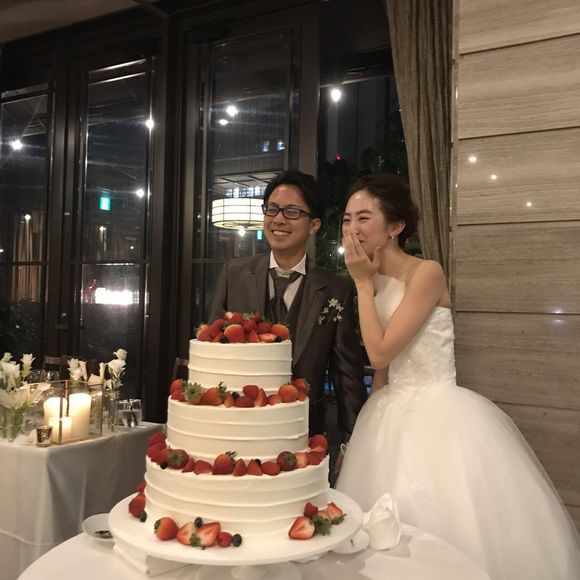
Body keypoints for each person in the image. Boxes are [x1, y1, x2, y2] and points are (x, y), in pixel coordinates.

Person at [335, 173, 580, 580]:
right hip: (387, 411)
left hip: (439, 411)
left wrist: (361, 283)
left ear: (395, 227)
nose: (351, 229)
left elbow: (379, 350)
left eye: (363, 217)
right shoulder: (373, 281)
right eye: (346, 219)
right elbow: (382, 368)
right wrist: (363, 425)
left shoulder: (425, 273)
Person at [209, 170, 366, 441]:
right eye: (272, 209)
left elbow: (346, 376)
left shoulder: (336, 290)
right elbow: (212, 350)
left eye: (292, 211)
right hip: (235, 424)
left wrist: (351, 442)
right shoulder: (233, 274)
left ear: (314, 225)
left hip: (303, 431)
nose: (279, 219)